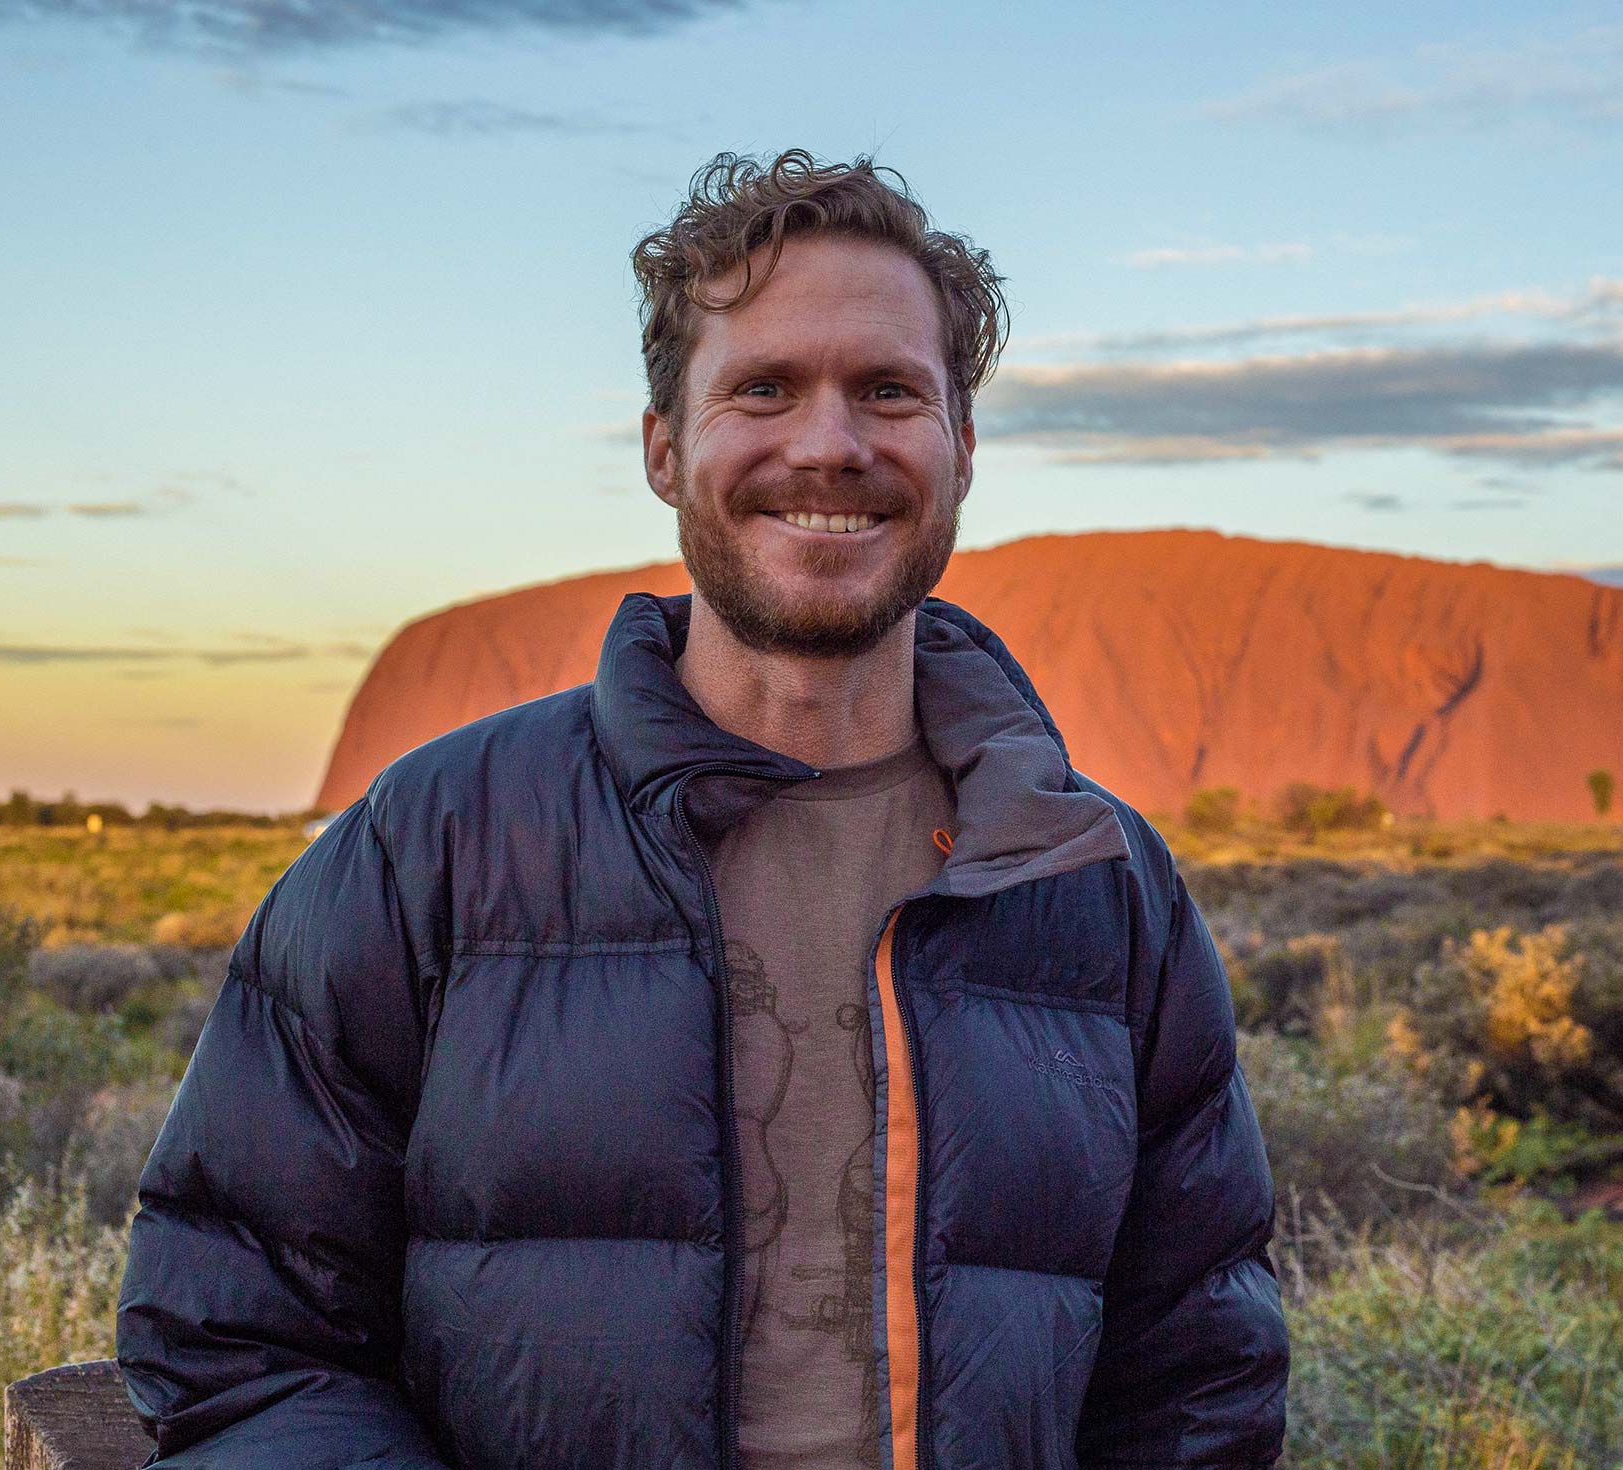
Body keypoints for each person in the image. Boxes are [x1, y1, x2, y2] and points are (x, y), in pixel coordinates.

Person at [114, 149, 1289, 1470]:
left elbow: (1200, 1377)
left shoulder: (1095, 880)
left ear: (962, 446)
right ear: (667, 449)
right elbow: (234, 1328)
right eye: (764, 388)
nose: (830, 444)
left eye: (890, 390)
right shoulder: (434, 845)